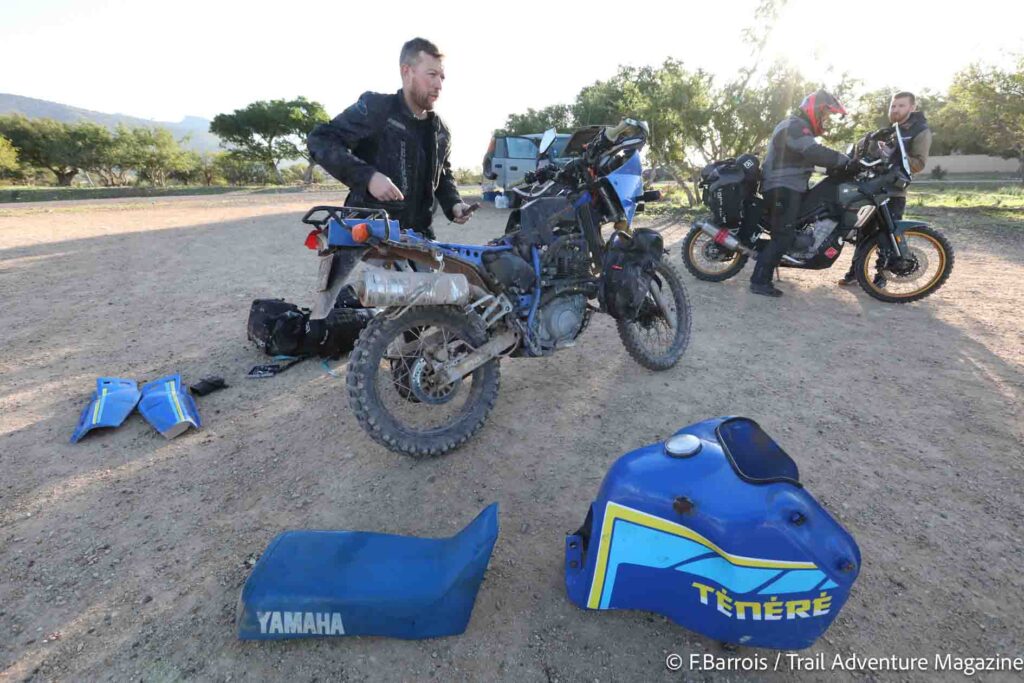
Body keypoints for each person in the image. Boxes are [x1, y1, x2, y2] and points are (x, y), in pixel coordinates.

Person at [307, 37, 474, 240]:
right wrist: (368, 177)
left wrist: (454, 203)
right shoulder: (376, 109)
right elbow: (321, 139)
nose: (438, 84)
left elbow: (443, 174)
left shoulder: (440, 131)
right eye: (431, 75)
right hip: (368, 237)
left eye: (442, 77)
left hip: (419, 239)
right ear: (406, 71)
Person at [753, 90, 853, 297]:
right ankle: (759, 281)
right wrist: (845, 161)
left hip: (789, 185)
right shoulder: (794, 126)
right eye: (825, 115)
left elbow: (809, 161)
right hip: (781, 187)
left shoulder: (799, 127)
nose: (826, 120)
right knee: (783, 235)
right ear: (815, 110)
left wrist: (837, 167)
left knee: (795, 226)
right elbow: (813, 152)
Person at [838, 91, 932, 286]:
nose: (896, 109)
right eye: (893, 106)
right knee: (864, 233)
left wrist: (892, 157)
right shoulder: (888, 131)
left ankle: (882, 278)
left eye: (901, 106)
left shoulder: (920, 131)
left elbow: (919, 163)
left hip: (894, 192)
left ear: (912, 107)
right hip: (872, 190)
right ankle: (855, 273)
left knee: (888, 235)